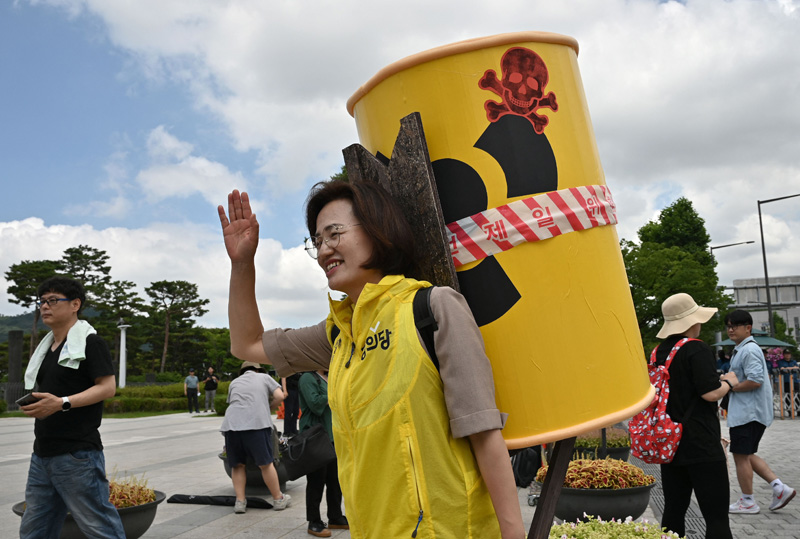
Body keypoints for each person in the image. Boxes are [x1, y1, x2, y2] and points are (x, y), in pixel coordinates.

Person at [218, 182, 525, 539]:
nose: (323, 251)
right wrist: (242, 264)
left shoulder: (431, 308)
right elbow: (246, 344)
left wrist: (513, 532)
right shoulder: (338, 333)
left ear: (379, 230)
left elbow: (483, 431)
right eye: (316, 241)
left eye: (334, 234)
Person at [19, 276, 125, 538]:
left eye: (53, 300)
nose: (45, 306)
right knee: (34, 530)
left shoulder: (90, 343)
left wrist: (62, 403)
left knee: (100, 528)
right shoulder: (46, 349)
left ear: (75, 304)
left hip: (77, 455)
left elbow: (107, 388)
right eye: (42, 301)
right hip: (42, 453)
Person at [651, 293, 737, 539]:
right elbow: (710, 393)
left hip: (670, 442)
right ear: (691, 321)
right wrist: (728, 383)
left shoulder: (659, 351)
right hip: (701, 441)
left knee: (673, 512)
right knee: (716, 516)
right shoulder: (696, 348)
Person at [725, 309, 796, 514]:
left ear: (748, 328)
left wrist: (730, 386)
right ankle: (779, 488)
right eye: (728, 326)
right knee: (745, 454)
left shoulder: (748, 350)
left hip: (749, 413)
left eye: (735, 326)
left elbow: (755, 381)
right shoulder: (743, 349)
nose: (730, 330)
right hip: (749, 413)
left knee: (740, 456)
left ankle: (748, 501)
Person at [220, 361, 291, 513]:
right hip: (256, 425)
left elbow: (233, 403)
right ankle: (278, 499)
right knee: (266, 463)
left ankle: (240, 502)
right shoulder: (264, 377)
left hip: (232, 426)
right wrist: (269, 407)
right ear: (258, 370)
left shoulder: (234, 382)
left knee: (237, 465)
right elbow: (280, 395)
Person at [298, 370, 348, 537]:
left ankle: (335, 516)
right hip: (315, 437)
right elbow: (315, 404)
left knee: (335, 479)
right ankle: (314, 521)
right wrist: (334, 392)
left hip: (332, 436)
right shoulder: (307, 377)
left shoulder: (329, 376)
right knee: (316, 480)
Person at [282, 372, 303, 438]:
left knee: (296, 411)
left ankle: (293, 429)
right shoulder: (287, 368)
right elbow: (283, 378)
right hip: (289, 390)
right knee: (289, 411)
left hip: (296, 390)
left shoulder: (297, 369)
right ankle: (287, 431)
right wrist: (284, 390)